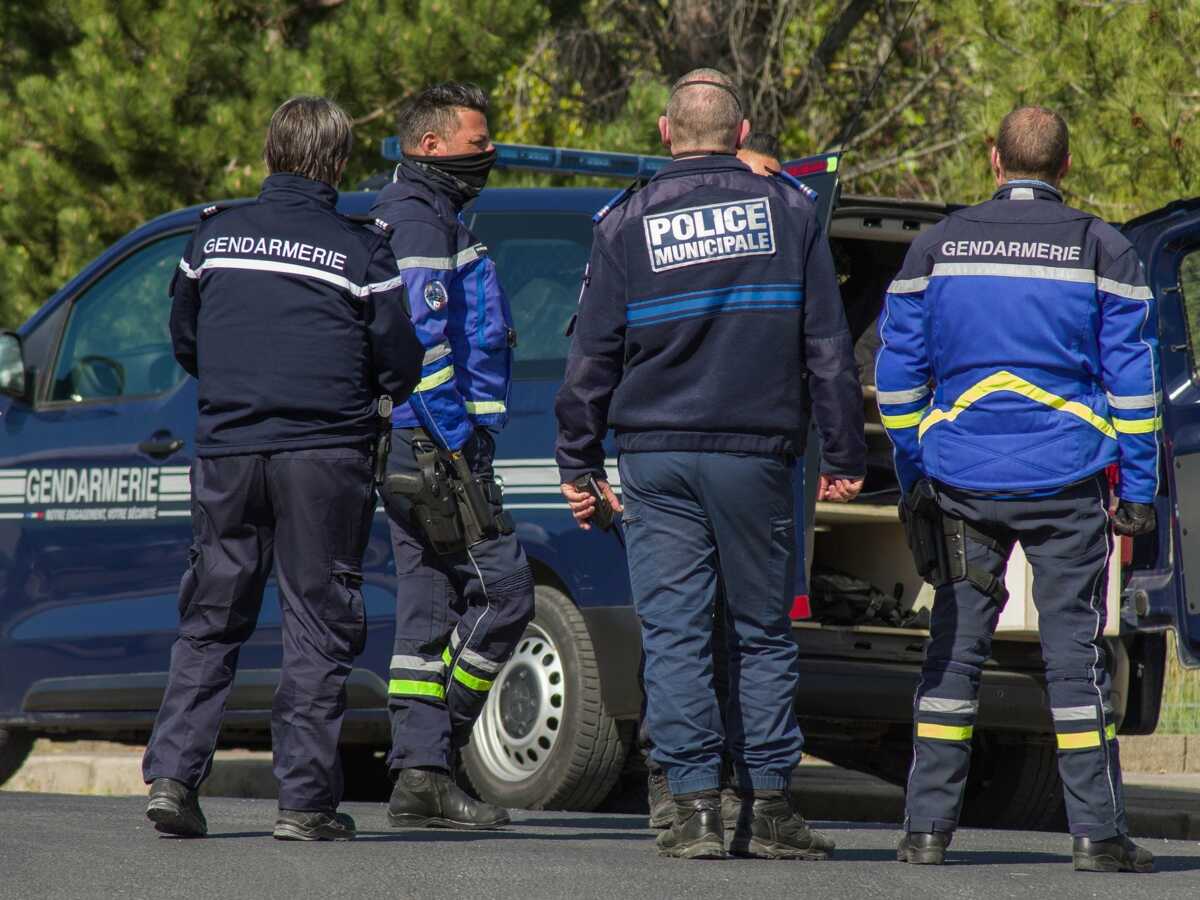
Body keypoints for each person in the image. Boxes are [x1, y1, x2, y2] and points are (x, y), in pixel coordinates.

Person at [556, 69, 866, 860]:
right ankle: (766, 806)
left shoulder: (625, 220)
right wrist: (844, 449)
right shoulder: (790, 210)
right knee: (761, 632)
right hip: (754, 454)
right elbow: (826, 346)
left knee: (676, 632)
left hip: (655, 456)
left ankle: (692, 809)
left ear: (665, 134)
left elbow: (590, 355)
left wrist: (577, 459)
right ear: (742, 132)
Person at [878, 105, 1158, 873]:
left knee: (954, 652)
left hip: (960, 481)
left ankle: (925, 833)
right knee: (1074, 656)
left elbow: (897, 382)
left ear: (993, 162)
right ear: (1065, 168)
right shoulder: (1103, 249)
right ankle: (1098, 837)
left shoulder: (936, 247)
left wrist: (914, 472)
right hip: (1067, 481)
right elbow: (1135, 390)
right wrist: (1139, 490)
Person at [142, 96, 424, 841]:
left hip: (229, 455)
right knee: (316, 626)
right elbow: (401, 361)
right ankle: (303, 804)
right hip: (325, 460)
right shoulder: (362, 251)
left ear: (271, 151)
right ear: (336, 163)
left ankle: (173, 780)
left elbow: (186, 339)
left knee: (210, 618)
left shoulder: (213, 239)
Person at [369, 82, 534, 830]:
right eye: (478, 141)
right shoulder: (418, 221)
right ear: (429, 145)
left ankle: (420, 777)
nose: (489, 152)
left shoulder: (431, 212)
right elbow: (423, 351)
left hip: (421, 439)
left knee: (427, 606)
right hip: (436, 442)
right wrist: (458, 447)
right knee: (506, 594)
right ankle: (438, 742)